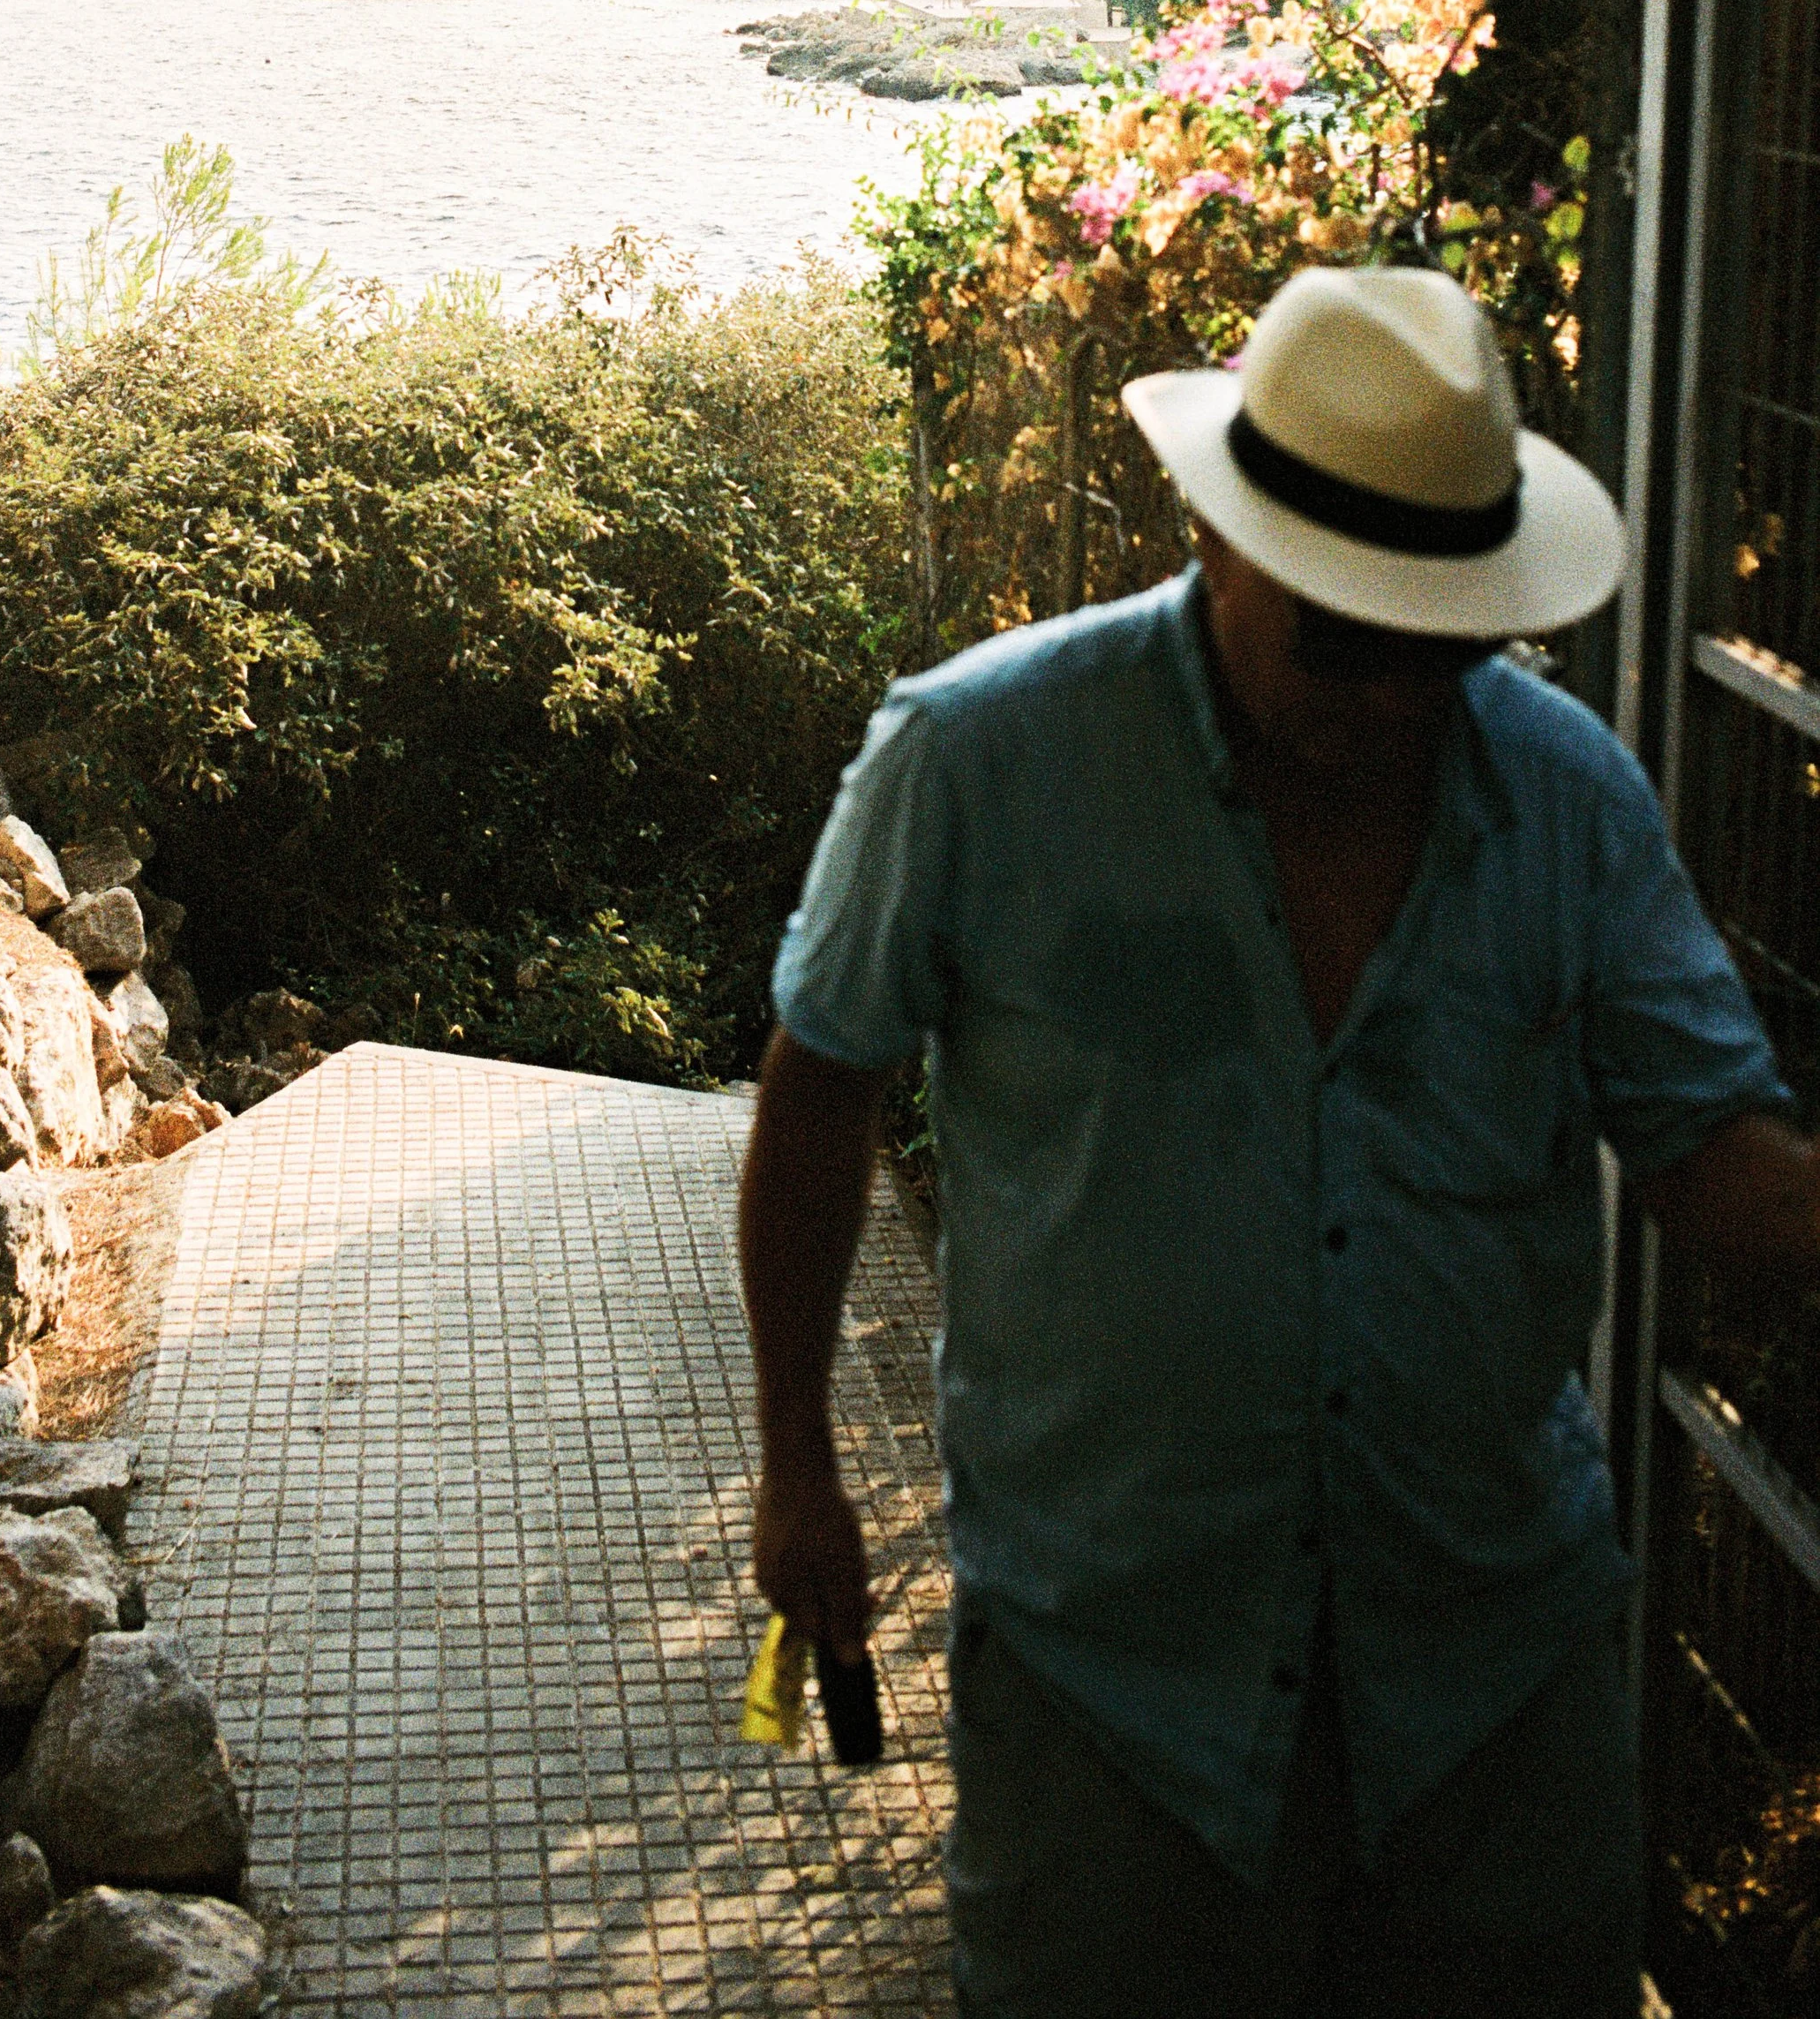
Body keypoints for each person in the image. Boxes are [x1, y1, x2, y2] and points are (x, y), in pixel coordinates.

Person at [738, 266, 1816, 2019]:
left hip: (1489, 1690)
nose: (1396, 693)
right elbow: (820, 1079)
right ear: (1213, 537)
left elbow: (1712, 1163)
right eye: (1345, 629)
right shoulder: (978, 760)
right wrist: (797, 1462)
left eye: (1442, 635)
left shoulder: (1566, 798)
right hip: (1113, 1688)